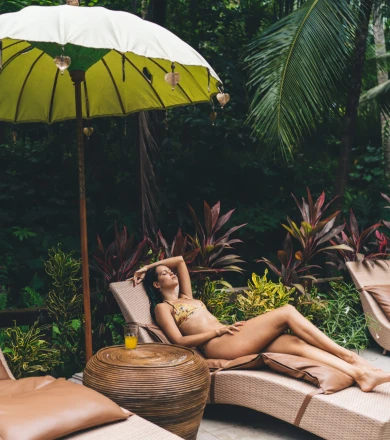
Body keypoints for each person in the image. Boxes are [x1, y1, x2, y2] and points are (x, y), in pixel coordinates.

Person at [133, 256, 390, 392]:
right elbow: (178, 342)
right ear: (156, 285)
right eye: (164, 274)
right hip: (216, 344)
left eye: (170, 272)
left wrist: (148, 266)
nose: (172, 273)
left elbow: (178, 259)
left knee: (294, 342)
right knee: (287, 312)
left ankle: (361, 375)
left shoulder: (187, 297)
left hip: (229, 336)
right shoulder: (163, 308)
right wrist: (217, 330)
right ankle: (351, 358)